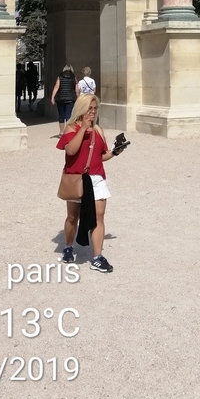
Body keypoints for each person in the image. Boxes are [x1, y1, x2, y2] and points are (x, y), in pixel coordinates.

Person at [57, 94, 123, 272]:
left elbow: (101, 156)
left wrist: (115, 152)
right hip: (77, 177)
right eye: (89, 109)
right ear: (81, 109)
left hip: (96, 177)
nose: (93, 112)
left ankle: (97, 257)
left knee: (98, 217)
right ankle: (68, 247)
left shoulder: (98, 130)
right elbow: (71, 150)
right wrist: (82, 128)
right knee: (73, 216)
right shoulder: (71, 128)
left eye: (95, 109)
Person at [51, 65, 78, 136]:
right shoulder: (73, 77)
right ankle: (69, 131)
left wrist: (53, 97)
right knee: (68, 115)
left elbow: (56, 87)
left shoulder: (60, 76)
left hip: (60, 99)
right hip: (70, 99)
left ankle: (61, 132)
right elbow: (76, 89)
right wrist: (78, 97)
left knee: (61, 115)